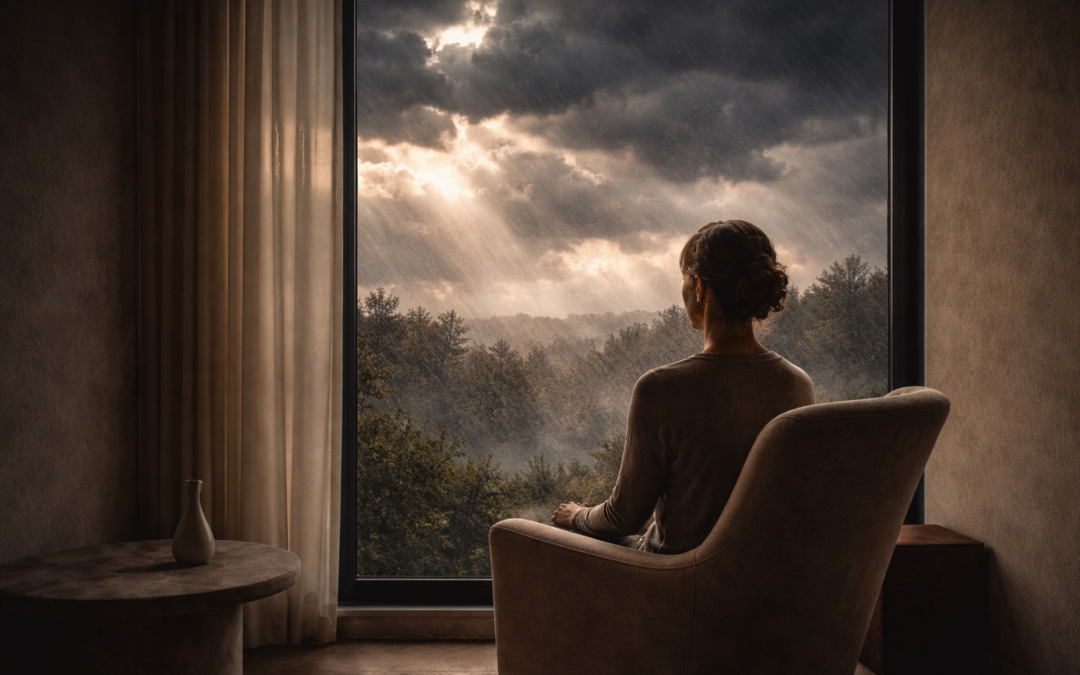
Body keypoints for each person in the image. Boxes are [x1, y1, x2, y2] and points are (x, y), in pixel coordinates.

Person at [550, 220, 815, 554]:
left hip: (677, 576)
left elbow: (623, 518)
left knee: (541, 534)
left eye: (685, 279)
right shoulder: (797, 384)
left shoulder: (661, 388)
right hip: (762, 574)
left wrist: (576, 515)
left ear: (700, 287)